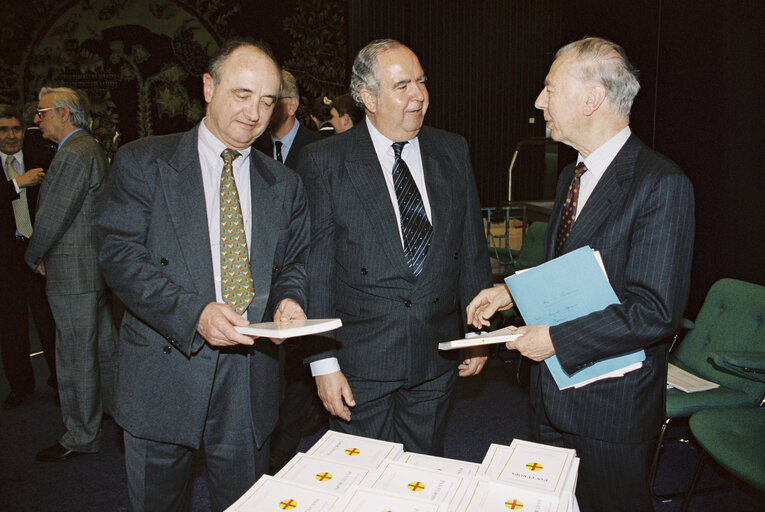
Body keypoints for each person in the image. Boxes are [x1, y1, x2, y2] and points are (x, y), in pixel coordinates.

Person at [467, 37, 695, 511]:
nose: (538, 101)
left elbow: (655, 312)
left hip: (612, 412)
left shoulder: (661, 184)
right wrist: (512, 291)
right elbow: (573, 269)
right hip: (552, 395)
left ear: (592, 99)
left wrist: (556, 341)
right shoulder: (573, 175)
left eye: (550, 89)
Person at [96, 38, 309, 511]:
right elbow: (120, 257)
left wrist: (288, 301)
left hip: (250, 381)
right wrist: (194, 313)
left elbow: (293, 263)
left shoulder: (286, 185)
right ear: (208, 87)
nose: (255, 112)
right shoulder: (143, 162)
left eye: (267, 100)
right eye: (242, 94)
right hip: (163, 372)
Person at [296, 39, 492, 456]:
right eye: (402, 85)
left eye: (420, 81)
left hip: (435, 357)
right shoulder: (326, 161)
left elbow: (471, 248)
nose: (418, 95)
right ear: (368, 98)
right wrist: (323, 364)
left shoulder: (452, 150)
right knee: (361, 481)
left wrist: (476, 334)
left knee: (423, 477)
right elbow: (318, 270)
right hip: (359, 362)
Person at [24, 88, 117, 461]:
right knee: (101, 348)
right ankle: (113, 410)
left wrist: (32, 255)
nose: (36, 119)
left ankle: (81, 434)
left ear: (64, 113)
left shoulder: (73, 153)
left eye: (42, 112)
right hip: (89, 269)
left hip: (72, 271)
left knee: (74, 355)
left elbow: (52, 216)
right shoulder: (87, 147)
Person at [252, 70, 325, 473]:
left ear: (290, 104)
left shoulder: (322, 149)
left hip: (310, 271)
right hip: (265, 278)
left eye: (269, 99)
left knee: (301, 362)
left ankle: (285, 445)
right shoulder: (254, 150)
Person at [0, 104, 57, 409]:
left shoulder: (42, 157)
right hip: (6, 260)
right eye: (4, 130)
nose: (11, 136)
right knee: (11, 326)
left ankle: (60, 383)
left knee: (48, 321)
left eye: (16, 129)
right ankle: (20, 386)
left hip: (41, 255)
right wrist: (17, 183)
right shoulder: (19, 172)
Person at [254, 70, 323, 167]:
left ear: (292, 106)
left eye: (270, 100)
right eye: (260, 101)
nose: (261, 108)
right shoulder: (255, 150)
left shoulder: (318, 147)